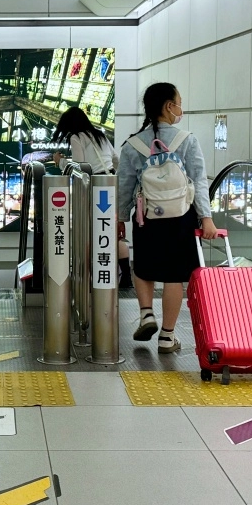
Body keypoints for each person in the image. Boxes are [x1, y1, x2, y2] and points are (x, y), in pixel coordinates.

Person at [117, 83, 217, 353]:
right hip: (181, 216)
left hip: (146, 215)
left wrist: (119, 217)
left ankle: (147, 313)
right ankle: (167, 337)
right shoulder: (187, 140)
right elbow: (199, 181)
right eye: (179, 102)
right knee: (174, 276)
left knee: (144, 267)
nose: (180, 108)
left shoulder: (133, 144)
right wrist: (206, 218)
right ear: (168, 106)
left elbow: (125, 186)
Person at [51, 107, 133, 288]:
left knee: (90, 232)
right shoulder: (100, 135)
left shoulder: (76, 137)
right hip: (110, 185)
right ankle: (126, 277)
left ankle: (88, 277)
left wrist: (60, 161)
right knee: (111, 232)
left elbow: (81, 168)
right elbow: (116, 159)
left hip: (94, 187)